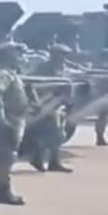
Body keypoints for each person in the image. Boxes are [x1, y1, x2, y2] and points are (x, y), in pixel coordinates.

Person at [0, 42, 30, 205]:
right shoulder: (2, 74)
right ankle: (2, 190)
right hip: (9, 119)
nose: (21, 58)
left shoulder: (9, 73)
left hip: (14, 118)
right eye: (18, 55)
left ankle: (2, 188)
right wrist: (1, 120)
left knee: (8, 155)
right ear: (8, 56)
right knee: (6, 155)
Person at [28, 44, 73, 173]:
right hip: (45, 105)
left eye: (64, 55)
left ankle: (51, 161)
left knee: (57, 134)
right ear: (53, 55)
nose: (63, 58)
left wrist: (68, 103)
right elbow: (33, 85)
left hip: (58, 105)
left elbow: (66, 86)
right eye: (60, 55)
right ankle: (40, 159)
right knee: (51, 134)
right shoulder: (43, 69)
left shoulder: (63, 69)